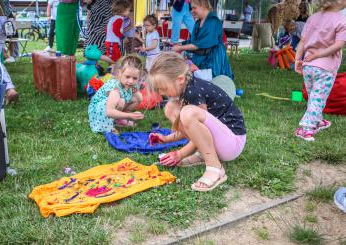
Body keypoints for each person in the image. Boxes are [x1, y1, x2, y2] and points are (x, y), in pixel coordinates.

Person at [147, 52, 246, 192]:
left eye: (163, 88)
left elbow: (198, 125)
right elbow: (192, 129)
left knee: (187, 112)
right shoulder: (186, 89)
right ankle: (203, 154)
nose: (162, 93)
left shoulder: (193, 92)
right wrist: (166, 139)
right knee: (171, 107)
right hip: (220, 140)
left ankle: (215, 168)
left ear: (180, 79)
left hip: (232, 143)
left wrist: (180, 153)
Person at [294, 0, 346, 141]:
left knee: (314, 97)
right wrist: (319, 54)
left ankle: (318, 120)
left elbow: (302, 42)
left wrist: (297, 59)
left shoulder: (313, 18)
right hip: (325, 68)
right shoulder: (342, 20)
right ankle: (306, 129)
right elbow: (339, 45)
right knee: (318, 98)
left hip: (308, 66)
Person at [172, 0, 233, 79]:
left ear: (203, 6)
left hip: (213, 59)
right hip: (201, 57)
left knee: (211, 82)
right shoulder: (198, 22)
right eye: (191, 8)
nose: (192, 11)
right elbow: (193, 41)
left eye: (194, 8)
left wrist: (180, 48)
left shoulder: (213, 21)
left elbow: (200, 44)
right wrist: (179, 44)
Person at [88, 55, 144, 133]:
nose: (131, 81)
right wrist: (130, 116)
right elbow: (109, 111)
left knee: (137, 98)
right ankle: (109, 124)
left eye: (135, 78)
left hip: (112, 105)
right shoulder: (115, 88)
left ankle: (119, 118)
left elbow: (139, 98)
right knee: (121, 101)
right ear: (119, 73)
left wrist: (137, 94)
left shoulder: (131, 84)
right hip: (100, 110)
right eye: (127, 77)